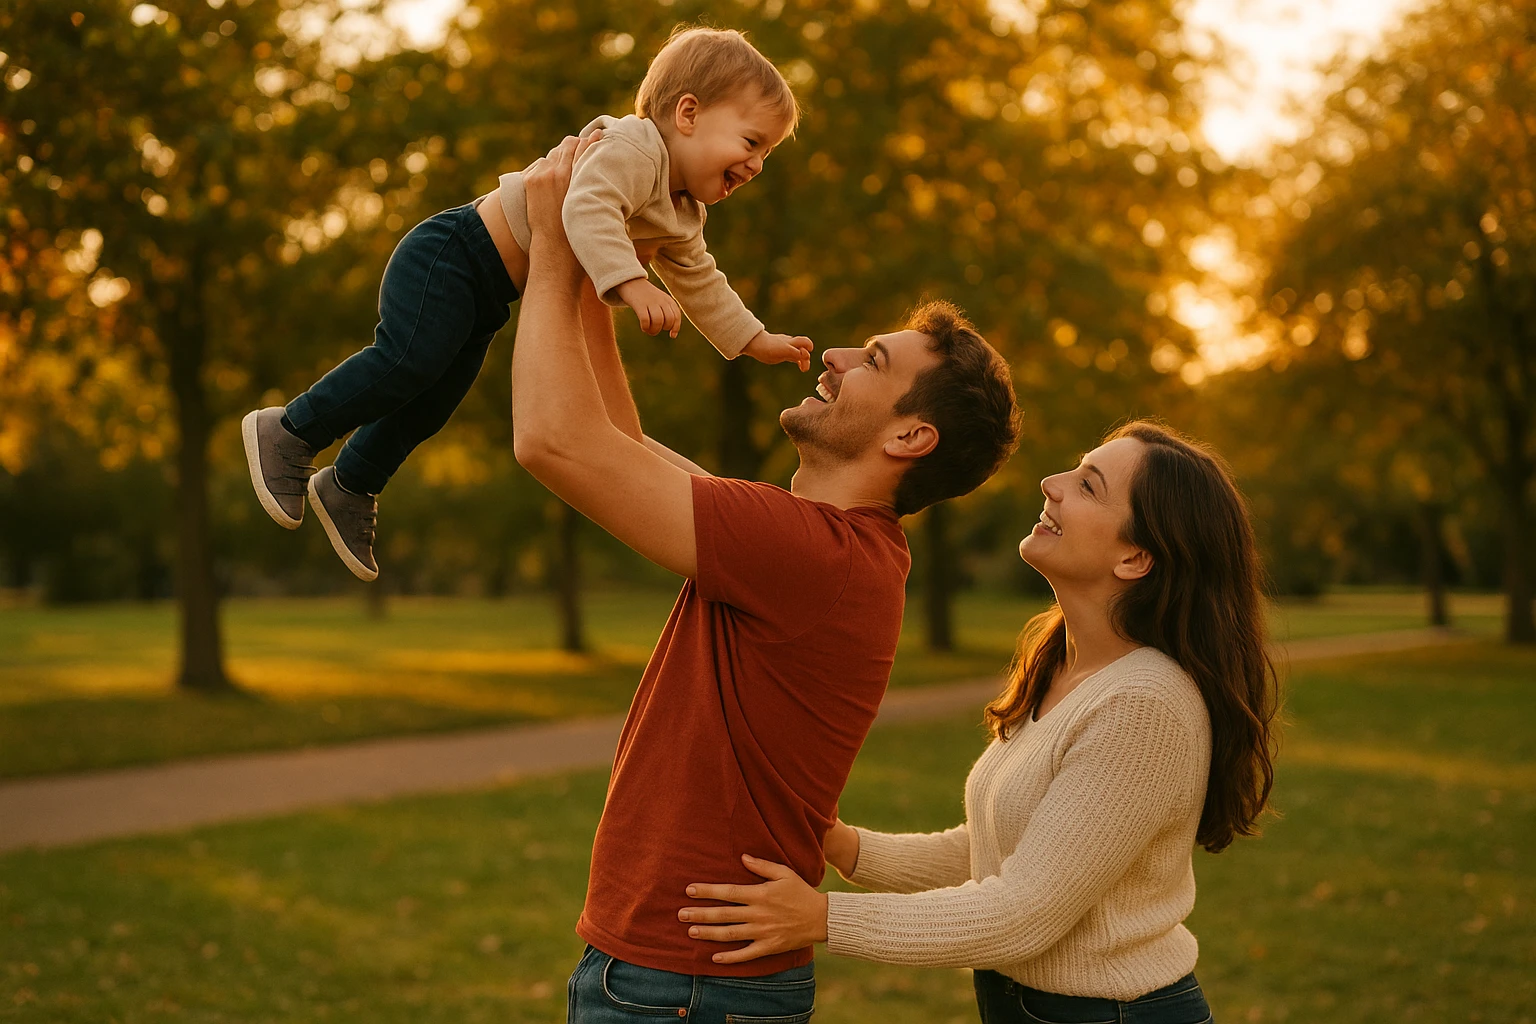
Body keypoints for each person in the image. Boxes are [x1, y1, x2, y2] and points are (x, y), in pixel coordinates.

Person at [512, 136, 1019, 1023]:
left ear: (909, 438)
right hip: (679, 978)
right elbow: (619, 447)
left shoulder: (815, 555)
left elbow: (554, 442)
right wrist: (602, 256)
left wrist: (554, 246)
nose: (835, 359)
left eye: (873, 362)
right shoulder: (820, 548)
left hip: (683, 987)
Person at [680, 422, 1281, 1024]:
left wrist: (821, 918)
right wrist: (846, 846)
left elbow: (1021, 913)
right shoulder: (1062, 668)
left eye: (1088, 486)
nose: (1051, 483)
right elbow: (1003, 850)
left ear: (1135, 557)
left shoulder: (1146, 705)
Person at [239, 26, 811, 581]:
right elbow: (586, 211)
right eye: (751, 142)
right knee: (408, 359)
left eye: (768, 153)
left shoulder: (683, 211)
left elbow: (701, 280)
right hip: (453, 255)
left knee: (436, 395)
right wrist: (632, 283)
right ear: (687, 115)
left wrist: (754, 339)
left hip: (487, 293)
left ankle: (352, 483)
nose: (757, 164)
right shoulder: (632, 148)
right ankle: (289, 430)